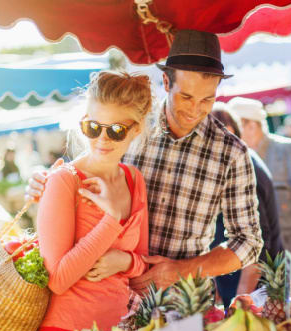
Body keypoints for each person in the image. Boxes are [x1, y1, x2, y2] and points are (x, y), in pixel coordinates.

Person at [27, 30, 263, 293]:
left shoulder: (232, 153)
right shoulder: (129, 126)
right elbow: (81, 172)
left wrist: (180, 270)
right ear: (165, 81)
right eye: (186, 97)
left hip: (183, 300)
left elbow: (248, 243)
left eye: (207, 99)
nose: (195, 109)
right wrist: (44, 185)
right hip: (114, 295)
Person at [30, 71, 152, 331]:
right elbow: (57, 280)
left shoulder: (134, 179)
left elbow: (142, 264)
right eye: (93, 126)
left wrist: (125, 262)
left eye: (116, 131)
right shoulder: (64, 181)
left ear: (136, 130)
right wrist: (110, 221)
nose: (102, 139)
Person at [228, 97, 291, 275]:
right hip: (251, 268)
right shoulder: (233, 160)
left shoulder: (289, 151)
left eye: (235, 126)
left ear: (251, 125)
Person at [210, 105, 283, 306]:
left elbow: (259, 241)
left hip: (256, 290)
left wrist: (241, 300)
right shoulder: (230, 164)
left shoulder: (246, 167)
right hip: (236, 284)